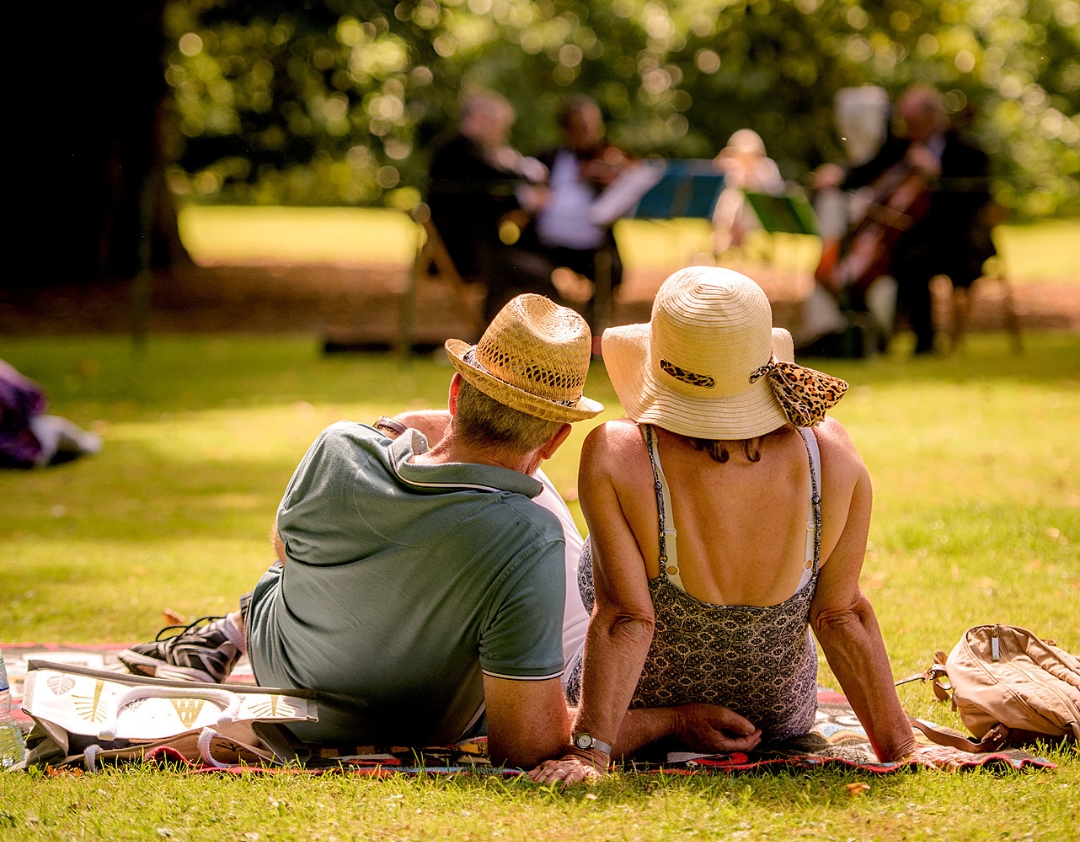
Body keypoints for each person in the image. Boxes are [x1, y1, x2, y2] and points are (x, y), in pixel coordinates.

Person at [120, 295, 745, 767]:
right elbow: (529, 744)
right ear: (558, 439)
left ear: (455, 391)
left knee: (290, 565)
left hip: (282, 678)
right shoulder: (530, 538)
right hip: (417, 718)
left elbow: (286, 553)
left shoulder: (336, 446)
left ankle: (226, 632)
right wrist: (673, 720)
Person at [531, 267, 977, 783]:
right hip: (775, 717)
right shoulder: (830, 453)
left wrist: (589, 752)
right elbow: (841, 614)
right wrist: (901, 747)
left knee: (540, 507)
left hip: (632, 702)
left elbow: (626, 618)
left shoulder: (619, 453)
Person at [815, 86, 996, 354]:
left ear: (933, 117)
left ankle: (924, 341)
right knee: (868, 265)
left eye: (914, 123)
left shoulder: (967, 151)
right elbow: (867, 170)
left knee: (912, 261)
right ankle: (871, 335)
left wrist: (936, 176)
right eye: (905, 122)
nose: (908, 129)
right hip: (905, 236)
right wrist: (838, 175)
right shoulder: (902, 146)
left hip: (957, 238)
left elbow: (977, 198)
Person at [427, 92, 555, 325]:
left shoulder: (466, 150)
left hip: (477, 247)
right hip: (459, 251)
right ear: (481, 117)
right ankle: (493, 339)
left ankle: (489, 337)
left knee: (530, 269)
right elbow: (493, 180)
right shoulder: (458, 151)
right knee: (537, 276)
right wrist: (527, 179)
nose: (502, 134)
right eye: (500, 126)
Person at [532, 95, 630, 325]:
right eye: (580, 128)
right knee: (531, 271)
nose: (588, 134)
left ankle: (586, 329)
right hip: (547, 244)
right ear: (566, 129)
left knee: (613, 271)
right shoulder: (550, 156)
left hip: (590, 246)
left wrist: (610, 180)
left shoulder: (607, 158)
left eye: (593, 128)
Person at [0, 359, 102, 468]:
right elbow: (34, 399)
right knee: (57, 427)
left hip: (14, 445)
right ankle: (89, 444)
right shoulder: (4, 378)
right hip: (27, 446)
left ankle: (83, 445)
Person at [711, 129, 784, 253]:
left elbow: (772, 193)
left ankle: (725, 241)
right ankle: (723, 239)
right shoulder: (735, 169)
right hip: (739, 213)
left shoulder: (767, 168)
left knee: (736, 201)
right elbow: (719, 172)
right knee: (729, 198)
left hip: (760, 212)